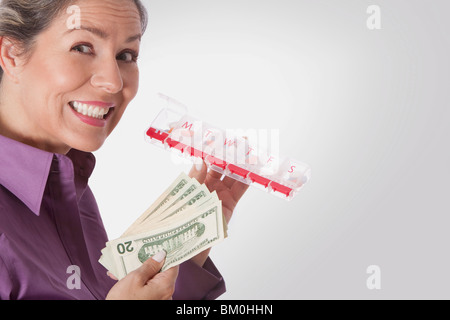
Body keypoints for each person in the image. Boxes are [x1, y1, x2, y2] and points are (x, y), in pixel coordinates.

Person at [0, 0, 248, 300]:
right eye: (82, 47)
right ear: (11, 54)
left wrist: (178, 253)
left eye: (126, 55)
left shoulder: (67, 184)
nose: (113, 81)